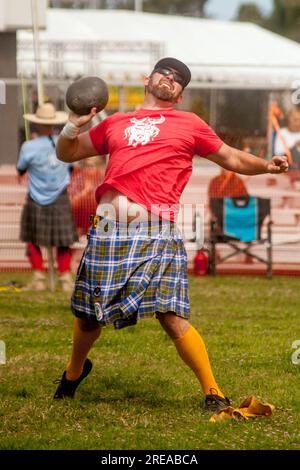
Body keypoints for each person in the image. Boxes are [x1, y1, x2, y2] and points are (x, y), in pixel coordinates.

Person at [53, 57, 288, 410]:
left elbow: (232, 159)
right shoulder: (116, 123)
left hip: (156, 231)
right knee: (89, 314)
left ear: (179, 95)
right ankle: (73, 372)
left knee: (171, 315)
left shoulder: (189, 123)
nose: (171, 79)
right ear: (148, 79)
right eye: (165, 72)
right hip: (108, 229)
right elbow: (66, 153)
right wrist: (73, 125)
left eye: (179, 80)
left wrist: (266, 164)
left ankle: (213, 393)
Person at [17, 102, 78, 292]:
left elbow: (20, 169)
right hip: (60, 196)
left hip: (36, 197)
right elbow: (72, 167)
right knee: (64, 240)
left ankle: (38, 277)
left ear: (36, 123)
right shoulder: (64, 142)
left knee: (32, 239)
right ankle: (66, 278)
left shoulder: (29, 146)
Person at [274, 106, 300, 187]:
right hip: (287, 169)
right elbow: (278, 154)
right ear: (289, 120)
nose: (298, 123)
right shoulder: (282, 133)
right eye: (295, 120)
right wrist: (294, 146)